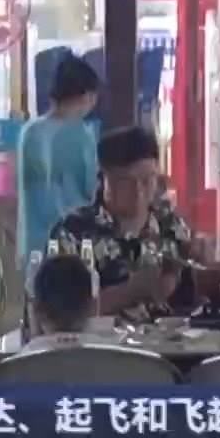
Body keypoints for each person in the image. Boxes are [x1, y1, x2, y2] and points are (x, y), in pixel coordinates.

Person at [51, 125, 197, 321]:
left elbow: (192, 303)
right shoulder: (73, 232)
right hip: (100, 340)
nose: (138, 192)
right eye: (125, 182)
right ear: (103, 179)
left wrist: (202, 269)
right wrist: (130, 292)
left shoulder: (171, 226)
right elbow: (59, 315)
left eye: (147, 180)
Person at [18, 53, 101, 268]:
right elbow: (91, 190)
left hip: (34, 243)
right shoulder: (81, 134)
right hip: (72, 242)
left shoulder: (29, 132)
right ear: (86, 95)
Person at [12, 254, 123, 356]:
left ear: (37, 310)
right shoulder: (116, 358)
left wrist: (35, 336)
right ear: (92, 306)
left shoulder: (16, 365)